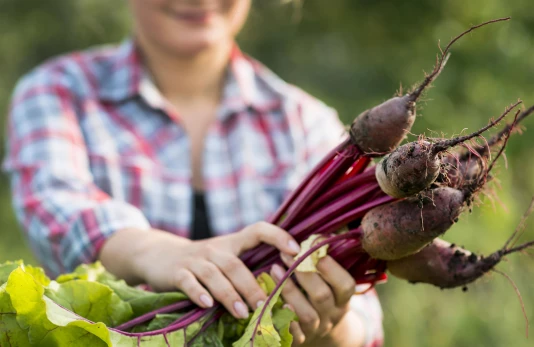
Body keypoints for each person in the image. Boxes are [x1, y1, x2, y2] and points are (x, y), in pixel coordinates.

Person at [3, 1, 383, 346]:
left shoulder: (306, 123)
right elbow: (56, 203)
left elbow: (365, 320)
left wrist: (331, 328)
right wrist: (158, 252)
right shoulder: (57, 92)